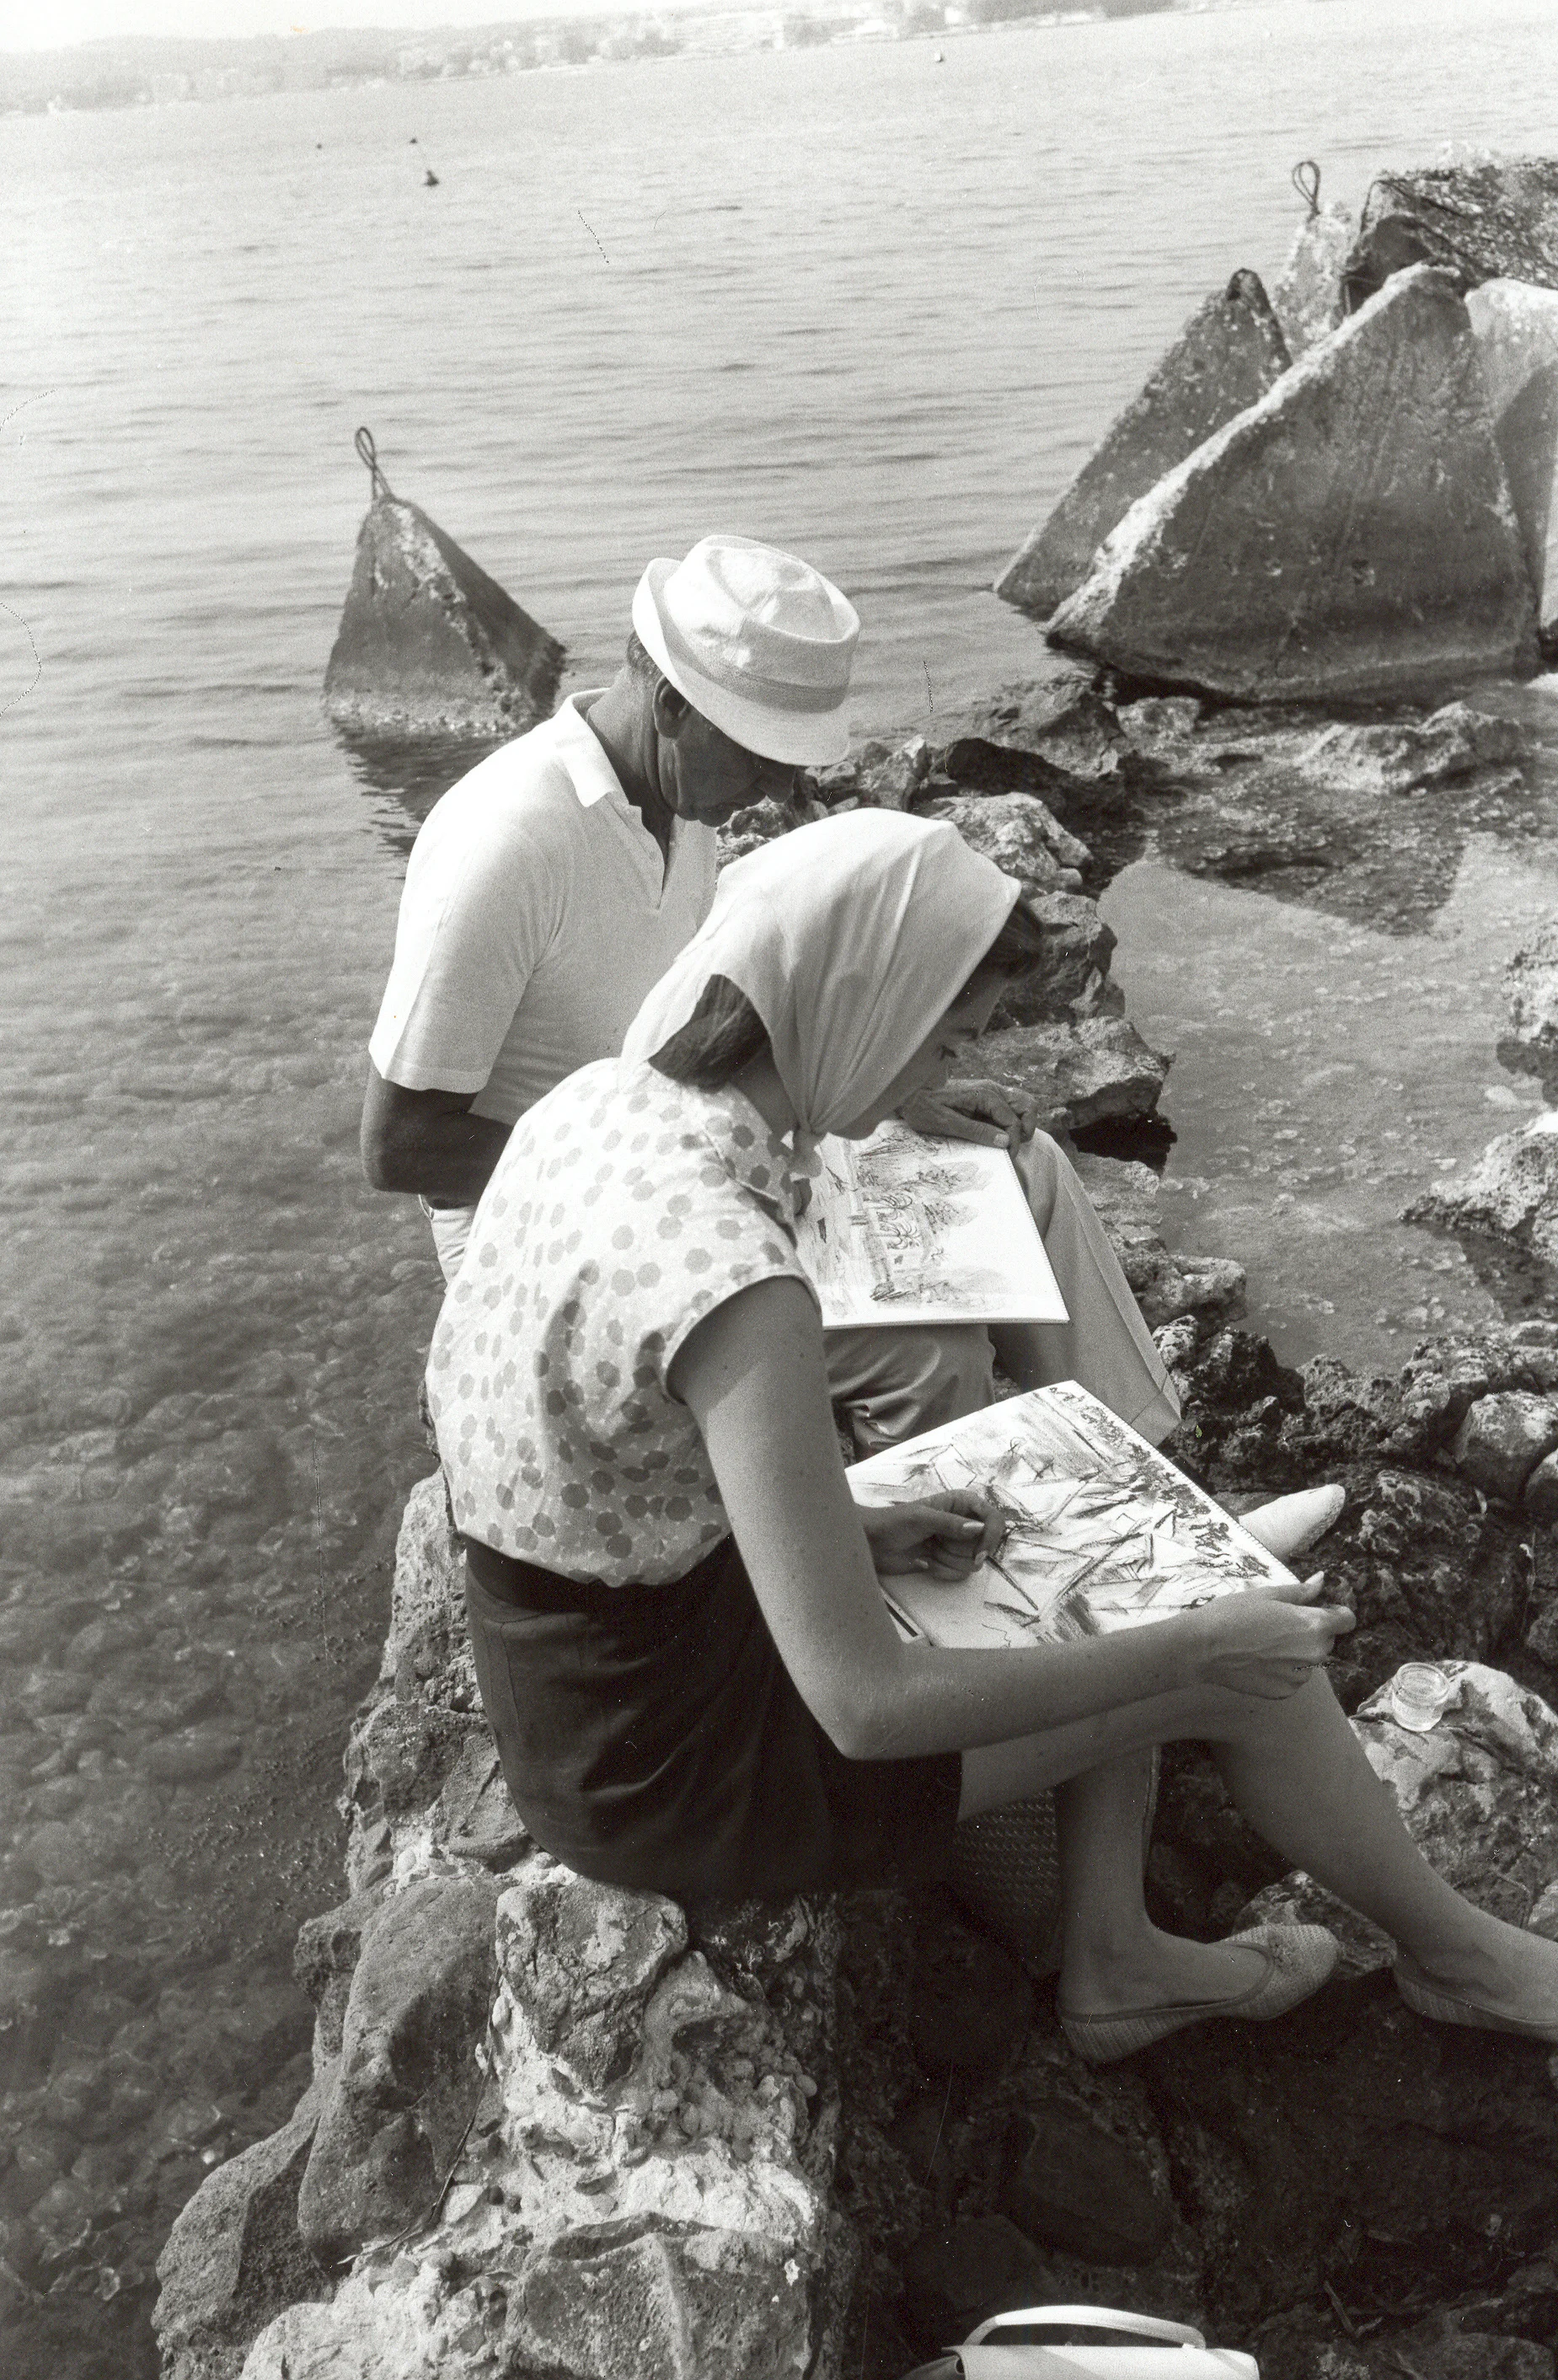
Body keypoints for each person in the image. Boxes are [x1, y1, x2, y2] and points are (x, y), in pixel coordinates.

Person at [427, 810, 1558, 2060]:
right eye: (943, 1037)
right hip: (681, 1768)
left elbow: (608, 1455)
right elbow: (863, 1706)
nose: (932, 1081)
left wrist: (851, 1525)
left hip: (578, 1696)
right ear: (864, 997)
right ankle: (1452, 1961)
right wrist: (1196, 1651)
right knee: (1246, 1665)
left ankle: (1125, 1938)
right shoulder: (737, 1277)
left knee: (1058, 1532)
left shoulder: (599, 1106)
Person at [363, 532, 1179, 1455]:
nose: (780, 789)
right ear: (672, 705)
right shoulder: (508, 841)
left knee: (1023, 1168)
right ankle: (921, 1576)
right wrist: (687, 1183)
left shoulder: (676, 802)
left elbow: (717, 1021)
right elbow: (400, 1146)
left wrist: (897, 1086)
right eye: (762, 756)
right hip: (559, 1233)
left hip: (698, 1159)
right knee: (922, 1351)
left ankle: (1144, 1473)